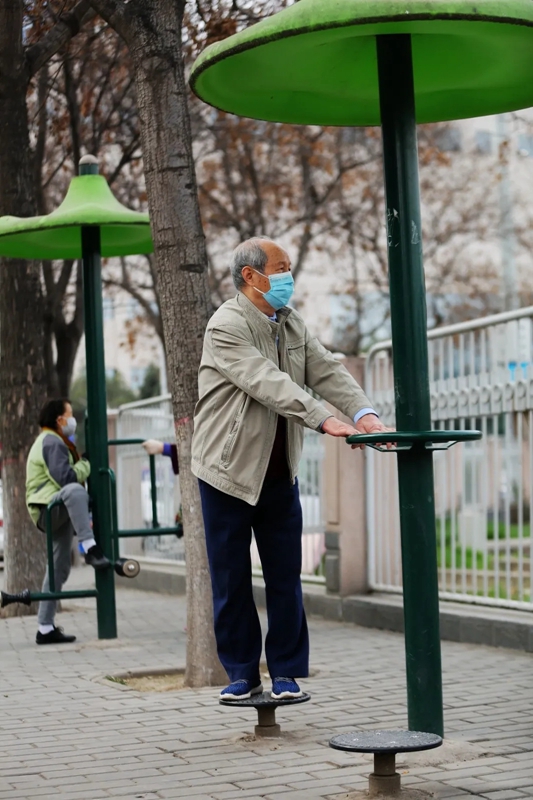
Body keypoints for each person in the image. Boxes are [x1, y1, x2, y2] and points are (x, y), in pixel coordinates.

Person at [190, 236, 391, 701]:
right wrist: (323, 418)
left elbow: (326, 370)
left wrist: (364, 414)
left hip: (279, 472)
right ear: (251, 276)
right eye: (280, 268)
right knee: (231, 577)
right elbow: (268, 382)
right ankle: (241, 673)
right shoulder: (226, 325)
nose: (288, 276)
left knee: (286, 575)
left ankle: (285, 673)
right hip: (227, 471)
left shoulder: (290, 323)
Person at [26, 398, 110, 645]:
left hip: (53, 508)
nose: (72, 420)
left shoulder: (53, 440)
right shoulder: (51, 442)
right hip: (48, 509)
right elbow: (66, 478)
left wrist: (81, 463)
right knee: (75, 490)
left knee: (58, 568)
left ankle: (45, 627)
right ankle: (89, 546)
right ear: (58, 419)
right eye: (69, 415)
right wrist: (86, 463)